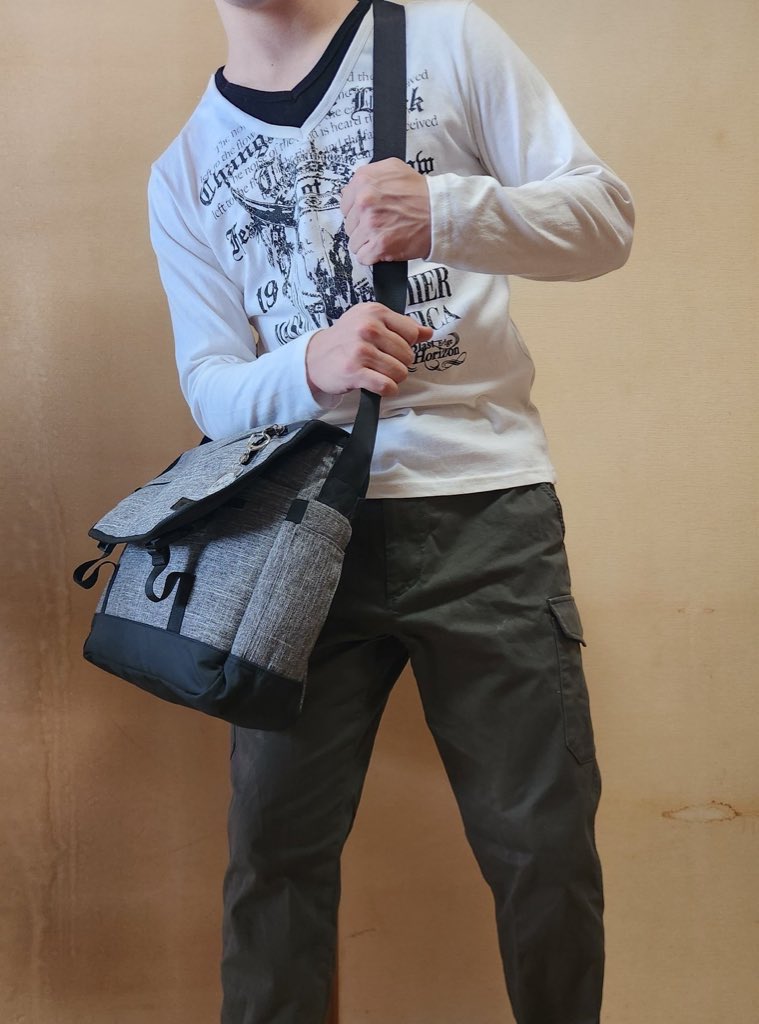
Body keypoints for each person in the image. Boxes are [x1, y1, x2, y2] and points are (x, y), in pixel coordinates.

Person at [147, 0, 635, 1021]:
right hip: (295, 536)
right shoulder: (184, 167)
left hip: (484, 511)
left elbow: (604, 220)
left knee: (542, 848)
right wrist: (307, 364)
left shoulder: (443, 38)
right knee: (272, 860)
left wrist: (446, 212)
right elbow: (210, 386)